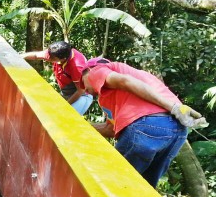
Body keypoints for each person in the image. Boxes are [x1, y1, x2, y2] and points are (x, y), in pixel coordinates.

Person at [81, 58, 207, 188]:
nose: (84, 90)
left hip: (149, 122)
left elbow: (125, 81)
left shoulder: (96, 71)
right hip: (177, 130)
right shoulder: (138, 80)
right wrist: (81, 127)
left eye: (82, 82)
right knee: (143, 187)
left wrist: (174, 108)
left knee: (113, 183)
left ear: (89, 70)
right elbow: (111, 129)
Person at [21, 41, 93, 115]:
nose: (49, 58)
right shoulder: (56, 53)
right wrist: (20, 56)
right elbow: (36, 55)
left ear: (63, 59)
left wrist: (66, 105)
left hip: (82, 95)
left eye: (52, 58)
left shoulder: (76, 66)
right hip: (67, 92)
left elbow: (81, 90)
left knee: (66, 118)